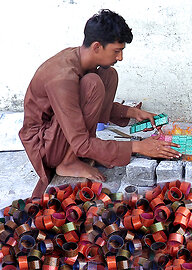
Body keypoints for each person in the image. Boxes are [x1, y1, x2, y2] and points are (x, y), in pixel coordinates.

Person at [19, 9, 181, 199]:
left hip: (62, 131)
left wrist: (132, 112)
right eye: (116, 51)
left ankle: (87, 150)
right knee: (93, 84)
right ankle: (68, 162)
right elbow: (79, 137)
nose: (120, 57)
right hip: (45, 145)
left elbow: (79, 105)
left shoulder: (81, 58)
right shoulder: (62, 78)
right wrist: (137, 147)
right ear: (97, 47)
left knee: (107, 75)